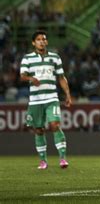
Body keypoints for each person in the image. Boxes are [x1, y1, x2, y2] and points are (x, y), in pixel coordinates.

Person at [20, 30, 72, 170]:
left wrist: (67, 94)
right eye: (38, 39)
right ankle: (43, 161)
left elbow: (61, 77)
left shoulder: (55, 58)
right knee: (39, 130)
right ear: (33, 42)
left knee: (55, 124)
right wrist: (31, 78)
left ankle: (62, 159)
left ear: (46, 41)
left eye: (44, 39)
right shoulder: (27, 58)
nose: (42, 41)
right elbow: (22, 75)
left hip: (51, 98)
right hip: (36, 100)